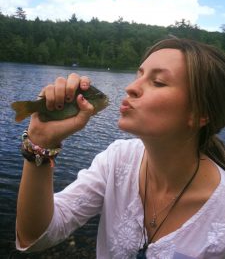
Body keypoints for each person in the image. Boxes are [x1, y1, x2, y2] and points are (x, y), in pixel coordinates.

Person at [16, 37, 225, 258]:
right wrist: (40, 142)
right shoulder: (119, 158)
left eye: (158, 82)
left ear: (200, 114)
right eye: (139, 75)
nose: (131, 87)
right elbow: (35, 236)